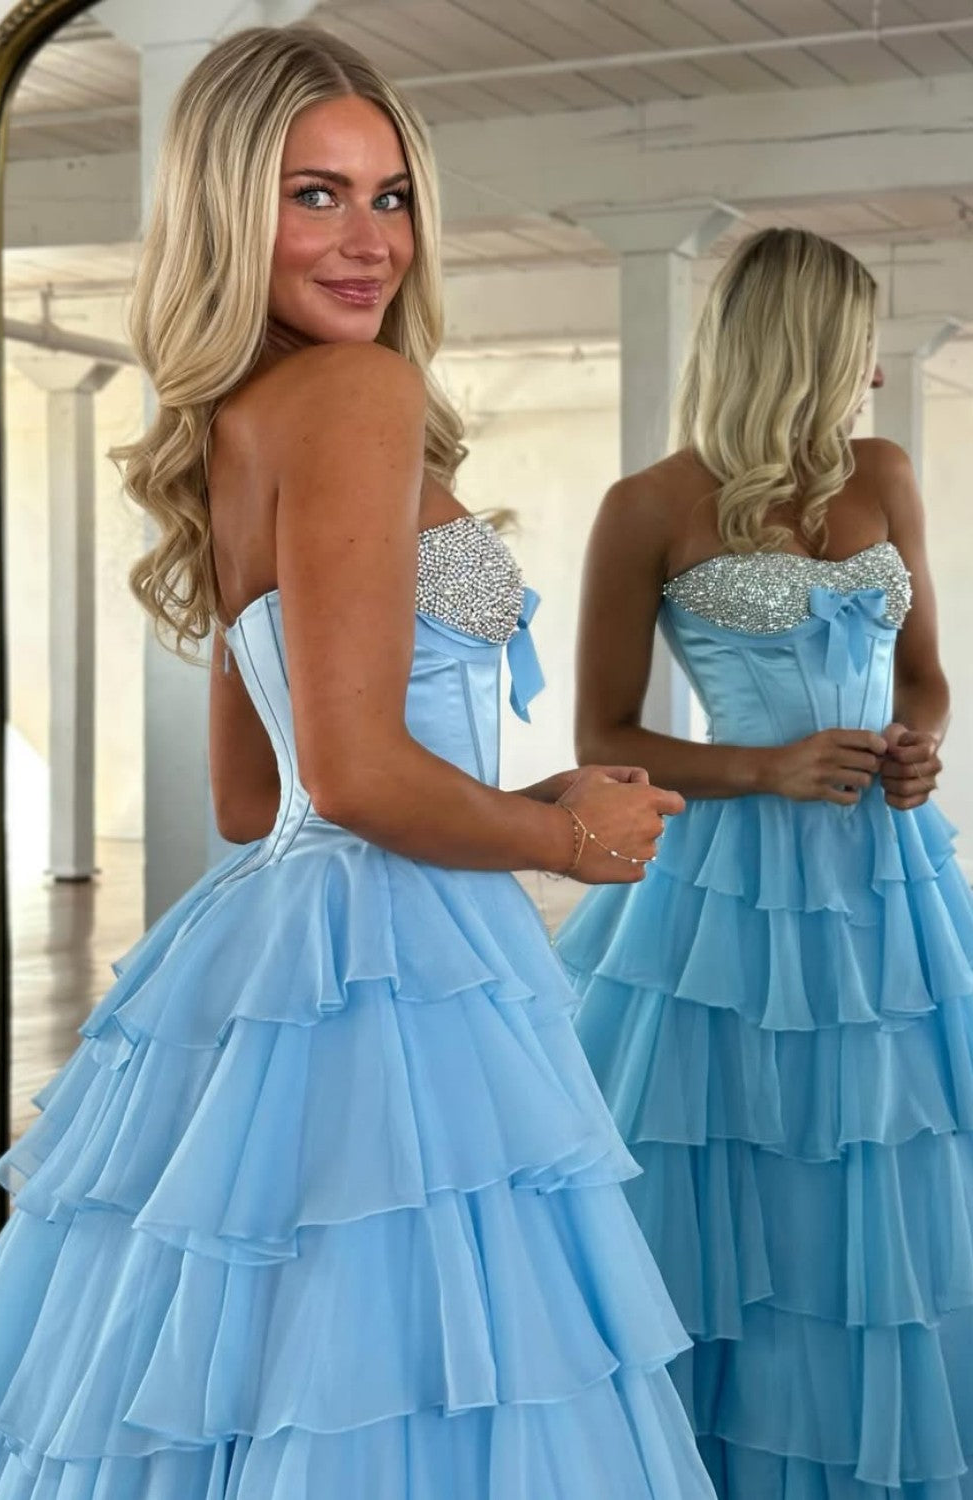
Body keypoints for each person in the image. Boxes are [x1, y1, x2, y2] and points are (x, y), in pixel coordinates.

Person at [0, 24, 716, 1500]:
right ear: (225, 209)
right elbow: (361, 781)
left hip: (288, 935)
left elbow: (260, 799)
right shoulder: (357, 395)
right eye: (313, 195)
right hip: (399, 950)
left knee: (269, 1369)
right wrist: (567, 839)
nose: (369, 240)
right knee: (426, 1372)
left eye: (391, 197)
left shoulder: (231, 422)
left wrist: (517, 801)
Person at [555, 227, 973, 1498]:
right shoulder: (645, 506)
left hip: (885, 878)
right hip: (726, 887)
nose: (875, 375)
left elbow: (924, 677)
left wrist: (917, 748)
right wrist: (765, 766)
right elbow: (603, 738)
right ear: (801, 346)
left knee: (894, 1147)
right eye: (858, 346)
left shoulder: (884, 474)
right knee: (740, 1155)